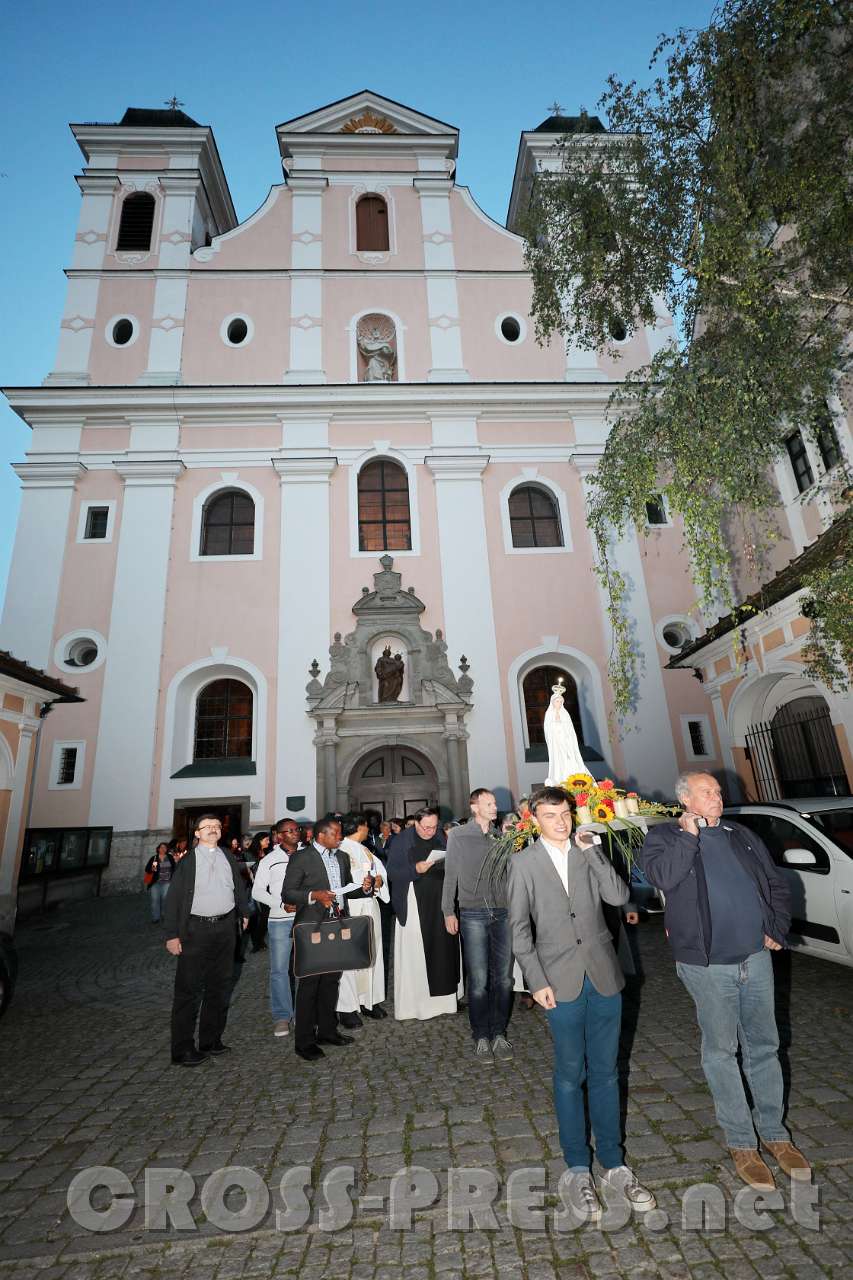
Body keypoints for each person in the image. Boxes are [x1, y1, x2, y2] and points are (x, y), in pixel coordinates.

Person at [640, 772, 809, 1190]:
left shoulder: (740, 834)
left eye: (717, 791)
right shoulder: (662, 837)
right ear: (686, 801)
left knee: (765, 1046)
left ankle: (774, 1136)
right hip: (708, 964)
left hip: (756, 957)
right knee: (721, 1050)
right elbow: (663, 877)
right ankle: (741, 1143)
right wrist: (688, 835)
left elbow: (775, 885)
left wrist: (776, 926)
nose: (717, 796)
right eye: (707, 792)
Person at [508, 787, 655, 1220]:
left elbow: (617, 896)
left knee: (608, 1072)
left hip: (604, 975)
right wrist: (535, 981)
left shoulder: (587, 852)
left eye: (565, 813)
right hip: (558, 981)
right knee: (571, 1074)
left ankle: (614, 1163)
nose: (561, 821)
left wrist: (592, 852)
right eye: (551, 815)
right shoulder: (523, 864)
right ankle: (577, 1168)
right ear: (535, 819)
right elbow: (518, 930)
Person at [163, 815, 250, 1067]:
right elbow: (174, 900)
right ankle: (181, 1049)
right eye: (207, 827)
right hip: (195, 930)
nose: (213, 829)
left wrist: (243, 913)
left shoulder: (227, 855)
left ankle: (210, 1040)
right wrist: (172, 935)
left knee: (220, 986)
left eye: (217, 826)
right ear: (197, 834)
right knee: (188, 990)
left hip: (225, 928)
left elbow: (237, 886)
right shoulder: (189, 861)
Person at [282, 815, 363, 1062]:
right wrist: (313, 895)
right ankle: (304, 1041)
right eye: (336, 834)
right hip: (310, 927)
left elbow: (347, 888)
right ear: (321, 836)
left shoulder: (340, 857)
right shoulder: (301, 858)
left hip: (336, 925)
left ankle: (327, 1031)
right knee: (309, 985)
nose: (340, 837)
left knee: (331, 981)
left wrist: (366, 886)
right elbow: (288, 892)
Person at [443, 789, 514, 1062]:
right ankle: (481, 1036)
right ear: (475, 807)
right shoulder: (459, 836)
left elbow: (512, 872)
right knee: (479, 980)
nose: (495, 807)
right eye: (489, 803)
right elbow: (450, 876)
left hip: (503, 911)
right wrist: (448, 910)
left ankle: (499, 1033)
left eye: (495, 803)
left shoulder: (502, 836)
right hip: (472, 912)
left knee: (504, 978)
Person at [388, 807, 461, 1020]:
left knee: (443, 949)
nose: (430, 831)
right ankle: (417, 1006)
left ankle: (445, 1001)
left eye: (434, 826)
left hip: (441, 901)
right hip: (414, 899)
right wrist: (415, 870)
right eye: (426, 827)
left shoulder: (439, 835)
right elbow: (392, 872)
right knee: (418, 951)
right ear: (416, 823)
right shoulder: (401, 841)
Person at [337, 813, 389, 1024]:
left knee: (372, 952)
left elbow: (381, 873)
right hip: (352, 907)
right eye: (367, 826)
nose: (369, 830)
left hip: (370, 906)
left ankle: (370, 1000)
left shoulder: (366, 850)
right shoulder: (340, 849)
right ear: (360, 826)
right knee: (352, 955)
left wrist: (379, 881)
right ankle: (348, 1005)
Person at [253, 818, 300, 1037]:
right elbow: (258, 891)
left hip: (306, 918)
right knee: (280, 970)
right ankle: (282, 1016)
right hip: (280, 920)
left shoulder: (308, 855)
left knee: (307, 968)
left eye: (296, 829)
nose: (294, 833)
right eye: (289, 831)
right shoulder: (269, 860)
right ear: (279, 835)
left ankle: (304, 1012)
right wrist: (280, 904)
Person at [247, 832, 272, 952]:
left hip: (267, 887)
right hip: (254, 887)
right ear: (259, 841)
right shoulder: (249, 854)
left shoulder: (267, 852)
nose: (268, 842)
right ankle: (257, 941)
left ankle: (259, 940)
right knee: (259, 916)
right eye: (266, 840)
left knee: (265, 915)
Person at [144, 842, 175, 924]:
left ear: (166, 849)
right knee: (155, 900)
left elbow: (174, 868)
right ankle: (156, 917)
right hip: (156, 883)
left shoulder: (170, 857)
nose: (163, 849)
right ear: (158, 849)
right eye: (161, 847)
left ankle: (165, 915)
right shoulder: (154, 858)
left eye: (164, 847)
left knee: (165, 899)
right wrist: (152, 869)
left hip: (167, 882)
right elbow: (147, 869)